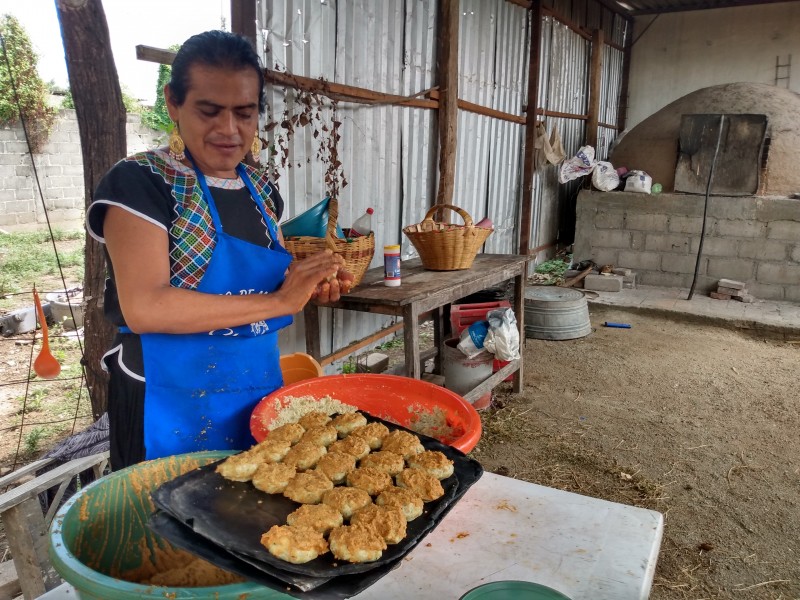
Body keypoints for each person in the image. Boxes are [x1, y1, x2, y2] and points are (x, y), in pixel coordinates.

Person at [86, 30, 352, 470]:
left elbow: (271, 284)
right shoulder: (140, 182)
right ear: (173, 102)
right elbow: (145, 307)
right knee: (167, 529)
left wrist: (308, 282)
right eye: (209, 111)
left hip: (252, 390)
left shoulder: (262, 190)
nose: (229, 130)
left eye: (245, 113)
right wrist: (280, 301)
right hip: (168, 399)